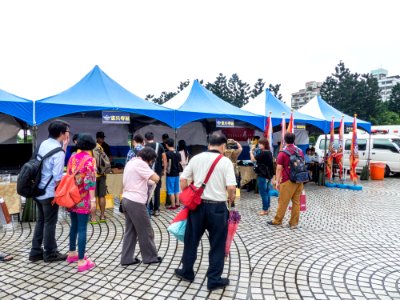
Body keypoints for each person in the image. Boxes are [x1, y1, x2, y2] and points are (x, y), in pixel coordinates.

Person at [175, 133, 236, 291]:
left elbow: (183, 180)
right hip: (218, 208)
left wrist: (189, 193)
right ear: (223, 146)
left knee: (191, 240)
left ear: (209, 144)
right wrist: (230, 199)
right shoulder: (225, 162)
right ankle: (213, 279)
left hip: (197, 206)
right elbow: (231, 187)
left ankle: (187, 272)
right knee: (217, 244)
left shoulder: (196, 158)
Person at [29, 120, 70, 263]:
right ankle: (50, 253)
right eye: (67, 131)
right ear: (61, 133)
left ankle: (35, 252)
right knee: (50, 223)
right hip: (49, 193)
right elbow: (58, 177)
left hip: (38, 190)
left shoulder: (43, 144)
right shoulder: (58, 152)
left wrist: (64, 147)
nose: (68, 134)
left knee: (41, 220)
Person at [120, 147, 163, 265]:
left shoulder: (131, 162)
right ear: (149, 159)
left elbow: (136, 179)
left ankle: (126, 259)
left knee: (131, 231)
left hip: (126, 199)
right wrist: (152, 175)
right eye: (152, 161)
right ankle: (150, 257)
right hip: (136, 202)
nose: (151, 163)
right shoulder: (141, 164)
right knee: (146, 230)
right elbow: (156, 178)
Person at [65, 134, 97, 272]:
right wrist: (93, 200)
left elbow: (68, 175)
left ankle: (72, 253)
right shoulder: (90, 161)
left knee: (74, 226)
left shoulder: (72, 158)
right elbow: (90, 182)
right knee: (83, 228)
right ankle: (82, 261)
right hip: (83, 199)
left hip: (72, 197)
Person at [268, 133, 304, 229]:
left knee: (283, 201)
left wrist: (277, 181)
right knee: (296, 202)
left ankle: (277, 220)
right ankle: (293, 223)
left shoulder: (283, 153)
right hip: (299, 180)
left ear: (284, 140)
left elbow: (279, 168)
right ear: (294, 139)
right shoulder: (300, 151)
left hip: (287, 180)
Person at [250, 137, 274, 216]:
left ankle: (265, 210)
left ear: (265, 144)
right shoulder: (269, 152)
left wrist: (251, 151)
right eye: (259, 143)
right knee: (267, 192)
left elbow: (253, 159)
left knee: (263, 193)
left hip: (263, 175)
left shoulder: (264, 153)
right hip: (268, 175)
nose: (259, 145)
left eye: (261, 144)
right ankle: (268, 207)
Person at [144, 132, 167, 216]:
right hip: (158, 171)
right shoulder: (159, 145)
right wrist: (164, 169)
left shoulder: (145, 147)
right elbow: (164, 158)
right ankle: (156, 209)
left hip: (147, 172)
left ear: (146, 138)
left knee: (148, 190)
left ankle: (149, 208)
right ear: (153, 137)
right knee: (157, 190)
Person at [91, 141, 110, 224]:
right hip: (102, 174)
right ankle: (102, 216)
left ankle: (93, 218)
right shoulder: (99, 147)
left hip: (92, 176)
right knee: (102, 196)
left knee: (93, 197)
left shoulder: (87, 149)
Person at [165, 138, 181, 210]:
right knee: (176, 189)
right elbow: (179, 162)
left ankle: (173, 205)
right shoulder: (178, 153)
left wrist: (164, 170)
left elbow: (166, 164)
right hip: (177, 173)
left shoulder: (167, 153)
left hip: (170, 174)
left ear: (167, 145)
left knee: (171, 190)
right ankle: (177, 203)